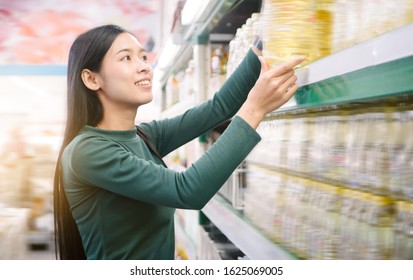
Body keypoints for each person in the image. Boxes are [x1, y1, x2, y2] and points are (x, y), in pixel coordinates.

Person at [53, 24, 305, 260]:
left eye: (143, 57)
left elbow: (219, 107)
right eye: (126, 58)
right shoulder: (86, 151)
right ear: (91, 79)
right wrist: (254, 110)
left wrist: (271, 29)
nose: (144, 67)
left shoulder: (143, 136)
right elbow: (187, 191)